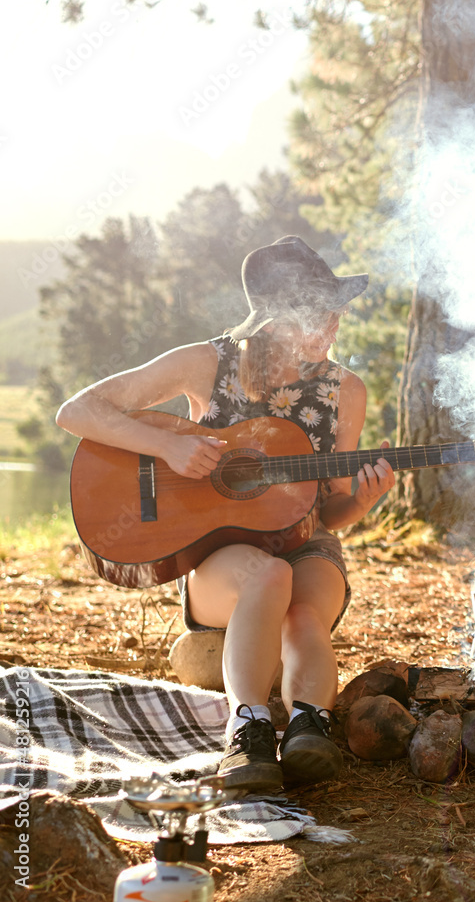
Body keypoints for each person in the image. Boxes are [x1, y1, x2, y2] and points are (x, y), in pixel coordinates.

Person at [56, 236, 395, 790]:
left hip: (305, 543)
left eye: (338, 308)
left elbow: (330, 513)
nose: (338, 321)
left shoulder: (344, 391)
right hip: (219, 555)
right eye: (322, 309)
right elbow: (78, 411)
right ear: (278, 319)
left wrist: (362, 498)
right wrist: (167, 446)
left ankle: (311, 726)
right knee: (269, 574)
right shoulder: (205, 363)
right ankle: (249, 732)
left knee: (303, 611)